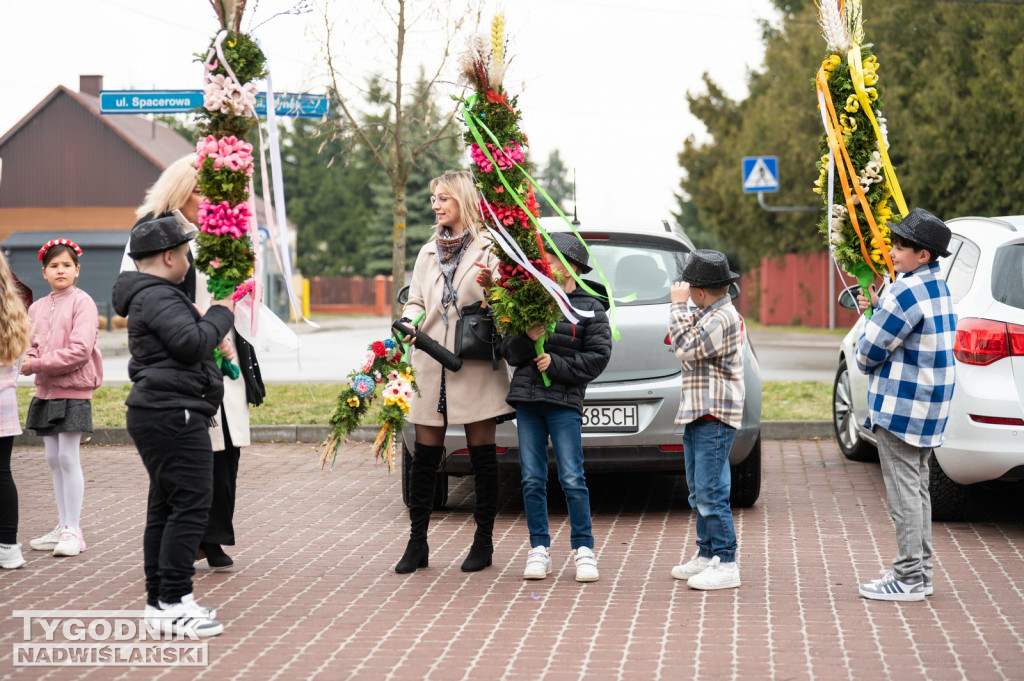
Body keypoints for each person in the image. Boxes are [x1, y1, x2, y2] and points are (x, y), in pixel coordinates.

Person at [123, 154, 264, 571]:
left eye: (209, 192)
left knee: (227, 446)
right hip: (187, 347)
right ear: (178, 188)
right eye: (197, 190)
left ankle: (215, 535)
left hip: (224, 342)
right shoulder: (156, 232)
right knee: (194, 450)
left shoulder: (218, 231)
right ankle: (183, 544)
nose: (203, 199)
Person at [112, 216, 235, 637]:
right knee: (190, 507)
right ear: (168, 256)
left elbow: (185, 341)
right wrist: (221, 313)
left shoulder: (152, 295)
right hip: (173, 414)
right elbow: (191, 344)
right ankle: (175, 600)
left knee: (165, 509)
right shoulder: (158, 295)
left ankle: (160, 602)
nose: (188, 261)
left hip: (162, 411)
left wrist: (204, 323)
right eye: (185, 254)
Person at [395, 170, 513, 574]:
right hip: (429, 361)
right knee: (426, 457)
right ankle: (417, 544)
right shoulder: (427, 251)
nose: (437, 204)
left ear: (462, 199)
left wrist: (492, 289)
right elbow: (413, 300)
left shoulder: (490, 248)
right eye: (434, 199)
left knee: (482, 456)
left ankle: (483, 543)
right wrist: (408, 320)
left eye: (444, 197)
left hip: (474, 362)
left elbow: (504, 299)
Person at [855, 207, 956, 602]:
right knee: (917, 489)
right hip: (930, 406)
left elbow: (866, 354)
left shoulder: (904, 291)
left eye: (900, 246)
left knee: (903, 494)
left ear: (923, 255)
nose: (892, 252)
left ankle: (909, 577)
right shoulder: (938, 287)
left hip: (901, 408)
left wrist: (873, 310)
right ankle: (921, 573)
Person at [498, 232, 611, 582]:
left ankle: (584, 549)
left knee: (572, 477)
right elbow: (509, 352)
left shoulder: (590, 307)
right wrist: (526, 339)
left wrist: (557, 366)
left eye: (549, 258)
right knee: (532, 478)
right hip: (529, 403)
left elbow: (598, 357)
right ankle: (539, 549)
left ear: (570, 267)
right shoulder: (532, 300)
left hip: (564, 405)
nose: (542, 264)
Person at [667, 249, 745, 591]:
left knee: (712, 491)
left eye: (688, 290)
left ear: (699, 292)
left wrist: (676, 307)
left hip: (714, 414)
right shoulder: (709, 314)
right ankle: (707, 552)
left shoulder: (721, 318)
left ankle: (727, 561)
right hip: (699, 411)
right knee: (699, 489)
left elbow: (685, 347)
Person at [22, 239, 103, 558]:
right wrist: (29, 358)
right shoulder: (37, 307)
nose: (60, 270)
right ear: (44, 272)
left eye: (66, 265)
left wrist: (37, 364)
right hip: (46, 391)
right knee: (53, 459)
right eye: (54, 266)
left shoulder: (83, 303)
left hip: (74, 391)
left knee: (68, 457)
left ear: (77, 270)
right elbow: (31, 343)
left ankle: (74, 530)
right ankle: (62, 524)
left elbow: (81, 349)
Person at [0, 251, 31, 570]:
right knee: (2, 473)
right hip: (4, 406)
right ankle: (8, 545)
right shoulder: (13, 311)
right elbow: (19, 360)